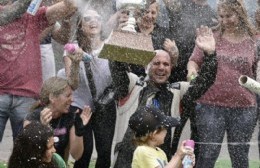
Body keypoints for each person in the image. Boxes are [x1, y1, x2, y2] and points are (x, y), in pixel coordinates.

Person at [110, 26, 217, 168]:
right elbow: (116, 66)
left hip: (163, 161)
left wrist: (210, 55)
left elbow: (205, 81)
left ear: (171, 68)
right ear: (148, 66)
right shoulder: (132, 85)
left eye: (166, 64)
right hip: (125, 162)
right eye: (156, 63)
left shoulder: (179, 92)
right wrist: (126, 36)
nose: (161, 67)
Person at [187, 0, 259, 167]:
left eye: (229, 16)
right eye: (221, 16)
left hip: (244, 107)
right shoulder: (210, 36)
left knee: (240, 155)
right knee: (208, 154)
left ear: (240, 14)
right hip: (209, 104)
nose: (225, 20)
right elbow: (194, 61)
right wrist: (192, 74)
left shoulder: (254, 40)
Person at [0, 0, 77, 143]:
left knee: (27, 150)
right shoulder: (3, 14)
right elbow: (10, 12)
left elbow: (70, 5)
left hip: (27, 96)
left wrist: (66, 18)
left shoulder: (33, 16)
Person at [57, 8, 118, 168]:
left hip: (105, 106)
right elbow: (73, 84)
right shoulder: (72, 48)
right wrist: (76, 63)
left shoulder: (111, 45)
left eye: (97, 18)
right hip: (80, 106)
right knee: (84, 154)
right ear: (80, 25)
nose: (93, 21)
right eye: (87, 18)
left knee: (105, 154)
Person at [23, 76, 92, 163]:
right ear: (52, 97)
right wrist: (43, 129)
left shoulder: (70, 115)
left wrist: (79, 132)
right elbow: (30, 153)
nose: (72, 100)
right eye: (68, 96)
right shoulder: (33, 117)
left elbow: (76, 155)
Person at [129, 106, 195, 168]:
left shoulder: (160, 152)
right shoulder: (142, 151)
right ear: (154, 134)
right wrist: (177, 155)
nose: (166, 131)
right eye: (165, 128)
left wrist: (183, 161)